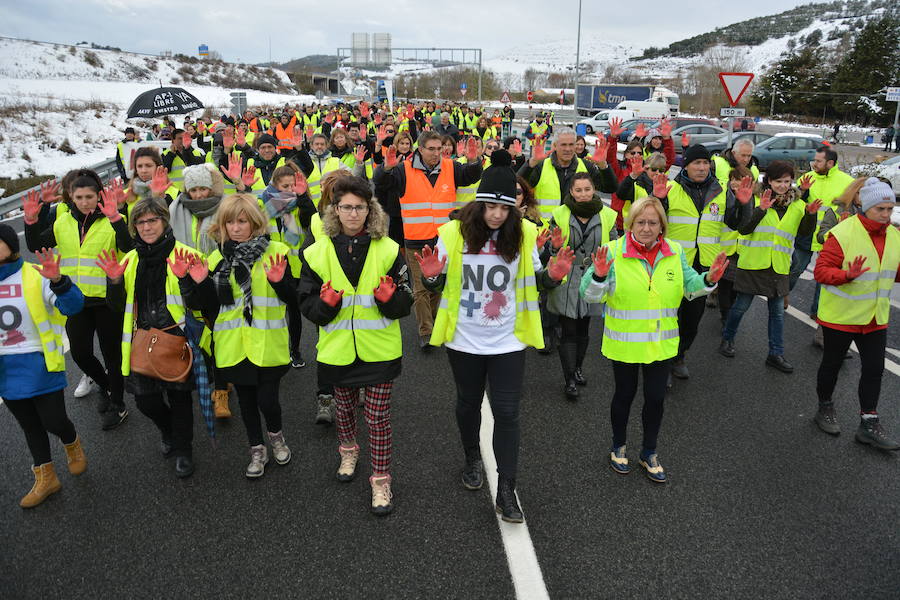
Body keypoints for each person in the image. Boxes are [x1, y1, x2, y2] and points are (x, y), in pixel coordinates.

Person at [415, 150, 575, 523]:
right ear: (479, 203)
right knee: (468, 404)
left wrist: (554, 275)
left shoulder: (523, 234)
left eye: (505, 209)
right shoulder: (452, 233)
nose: (497, 215)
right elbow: (433, 280)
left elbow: (538, 283)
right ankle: (472, 456)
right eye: (490, 207)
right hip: (464, 338)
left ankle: (506, 488)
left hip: (507, 339)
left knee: (507, 412)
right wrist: (431, 277)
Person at [581, 196, 728, 482]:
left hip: (662, 345)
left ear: (662, 225)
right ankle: (618, 446)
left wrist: (709, 279)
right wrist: (598, 276)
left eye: (652, 222)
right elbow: (589, 296)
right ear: (630, 224)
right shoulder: (611, 251)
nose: (646, 228)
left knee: (656, 399)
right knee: (624, 396)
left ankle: (649, 451)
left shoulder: (674, 250)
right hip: (624, 344)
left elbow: (690, 286)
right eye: (640, 222)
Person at [298, 177, 412, 515]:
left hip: (379, 350)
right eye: (346, 207)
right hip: (337, 351)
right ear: (335, 210)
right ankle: (348, 449)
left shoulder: (389, 249)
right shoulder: (315, 253)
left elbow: (404, 302)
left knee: (377, 417)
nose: (353, 213)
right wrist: (326, 305)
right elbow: (308, 307)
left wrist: (391, 301)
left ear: (370, 209)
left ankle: (381, 481)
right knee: (344, 410)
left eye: (359, 207)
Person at [181, 194, 297, 478]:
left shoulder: (277, 250)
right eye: (229, 222)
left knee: (267, 400)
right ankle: (256, 449)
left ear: (254, 222)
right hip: (234, 346)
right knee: (246, 402)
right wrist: (193, 282)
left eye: (241, 221)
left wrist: (280, 283)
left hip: (268, 344)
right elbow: (207, 305)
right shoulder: (217, 257)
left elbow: (292, 299)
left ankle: (276, 437)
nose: (235, 227)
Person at [98, 199, 201, 478]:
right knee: (146, 402)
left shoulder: (186, 254)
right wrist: (115, 282)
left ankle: (183, 449)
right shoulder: (130, 260)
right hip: (142, 342)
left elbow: (202, 303)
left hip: (178, 339)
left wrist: (188, 280)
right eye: (140, 222)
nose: (146, 227)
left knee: (180, 401)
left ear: (164, 222)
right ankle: (168, 431)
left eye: (152, 220)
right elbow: (117, 307)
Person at [23, 170, 132, 429]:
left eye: (90, 196)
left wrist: (116, 218)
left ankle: (118, 405)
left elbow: (129, 246)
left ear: (98, 196)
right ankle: (106, 385)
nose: (85, 202)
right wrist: (31, 220)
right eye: (79, 196)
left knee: (112, 355)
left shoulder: (112, 219)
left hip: (107, 299)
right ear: (71, 197)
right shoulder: (62, 223)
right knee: (81, 354)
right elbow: (36, 245)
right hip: (77, 300)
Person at [373, 131, 483, 350]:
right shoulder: (404, 169)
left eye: (439, 148)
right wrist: (385, 167)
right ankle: (426, 330)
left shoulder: (451, 167)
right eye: (431, 149)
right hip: (416, 238)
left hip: (444, 239)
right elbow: (382, 182)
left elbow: (471, 176)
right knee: (421, 288)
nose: (436, 153)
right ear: (420, 149)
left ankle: (431, 319)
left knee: (437, 287)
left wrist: (473, 160)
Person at [0, 226, 86, 508]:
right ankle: (46, 476)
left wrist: (59, 281)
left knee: (53, 421)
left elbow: (73, 307)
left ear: (10, 246)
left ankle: (71, 442)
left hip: (39, 362)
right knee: (30, 425)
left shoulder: (35, 275)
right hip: (5, 368)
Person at [813, 178, 900, 450]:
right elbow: (821, 272)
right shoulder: (842, 233)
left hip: (875, 316)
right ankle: (824, 407)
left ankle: (868, 423)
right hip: (841, 316)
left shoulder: (895, 235)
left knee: (874, 370)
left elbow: (893, 272)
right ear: (867, 207)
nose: (886, 215)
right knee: (832, 365)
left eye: (890, 209)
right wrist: (846, 275)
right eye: (881, 210)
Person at [719, 161, 818, 372]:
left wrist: (811, 215)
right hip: (753, 263)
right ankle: (727, 338)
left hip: (779, 266)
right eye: (778, 181)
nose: (783, 185)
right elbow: (744, 229)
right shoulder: (755, 200)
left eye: (787, 181)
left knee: (777, 313)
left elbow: (803, 233)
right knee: (740, 307)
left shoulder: (798, 206)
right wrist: (760, 210)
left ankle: (776, 353)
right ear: (769, 181)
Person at [651, 144, 727, 382]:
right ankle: (663, 361)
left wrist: (746, 205)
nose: (702, 168)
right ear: (687, 166)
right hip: (672, 264)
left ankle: (679, 355)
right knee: (669, 315)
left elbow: (740, 224)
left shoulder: (721, 191)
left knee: (693, 319)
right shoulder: (671, 188)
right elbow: (653, 219)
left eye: (706, 163)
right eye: (697, 163)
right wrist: (658, 198)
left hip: (703, 265)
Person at [545, 172, 618, 399]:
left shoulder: (607, 215)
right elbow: (548, 249)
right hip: (566, 277)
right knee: (568, 329)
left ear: (594, 189)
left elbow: (614, 246)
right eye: (578, 190)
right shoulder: (560, 214)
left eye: (587, 189)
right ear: (571, 192)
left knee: (584, 328)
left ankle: (577, 368)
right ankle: (569, 379)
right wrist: (555, 248)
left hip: (592, 277)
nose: (584, 194)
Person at [788, 146, 855, 342]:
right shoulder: (807, 178)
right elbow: (794, 202)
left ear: (830, 163)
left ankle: (817, 312)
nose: (814, 164)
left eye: (818, 161)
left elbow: (849, 208)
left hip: (830, 237)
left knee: (823, 279)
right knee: (795, 269)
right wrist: (803, 191)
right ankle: (781, 295)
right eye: (814, 160)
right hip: (807, 235)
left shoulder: (847, 182)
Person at [517, 127, 618, 225]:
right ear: (555, 145)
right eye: (563, 145)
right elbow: (517, 186)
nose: (568, 149)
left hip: (576, 230)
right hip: (545, 231)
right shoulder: (541, 166)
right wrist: (531, 163)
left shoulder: (586, 166)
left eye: (571, 145)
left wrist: (603, 166)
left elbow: (610, 188)